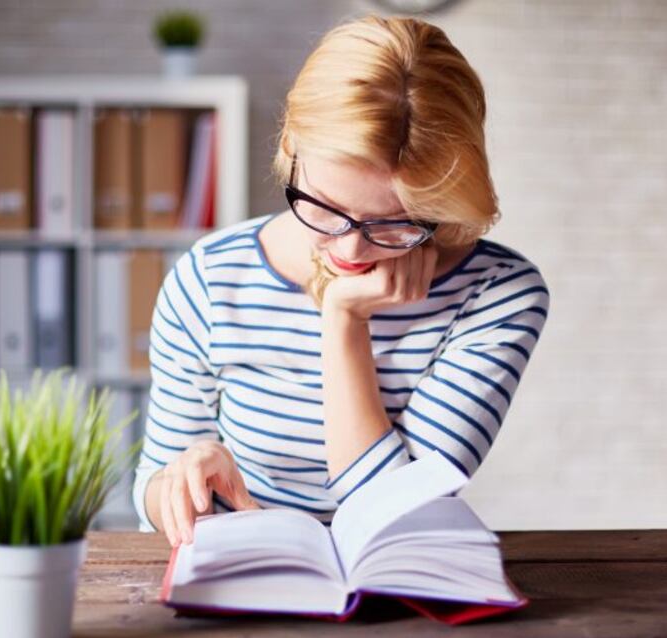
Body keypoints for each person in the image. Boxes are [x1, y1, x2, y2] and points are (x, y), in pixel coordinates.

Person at [133, 14, 550, 547]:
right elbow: (149, 490)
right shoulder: (211, 278)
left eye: (395, 222)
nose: (351, 249)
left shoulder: (500, 296)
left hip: (397, 584)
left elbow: (394, 515)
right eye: (326, 208)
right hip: (247, 581)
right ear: (291, 148)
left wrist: (344, 318)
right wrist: (181, 479)